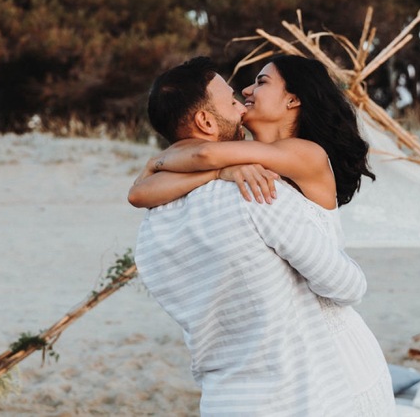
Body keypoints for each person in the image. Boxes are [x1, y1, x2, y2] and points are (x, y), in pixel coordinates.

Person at [129, 55, 396, 415]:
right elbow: (145, 191)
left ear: (293, 99)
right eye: (239, 92)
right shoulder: (241, 171)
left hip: (334, 360)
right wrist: (219, 173)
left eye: (262, 82)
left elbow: (199, 155)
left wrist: (161, 162)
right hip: (286, 373)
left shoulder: (303, 155)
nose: (246, 91)